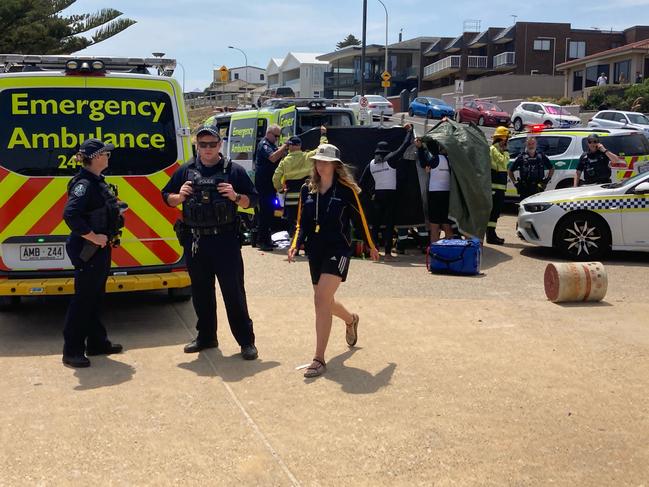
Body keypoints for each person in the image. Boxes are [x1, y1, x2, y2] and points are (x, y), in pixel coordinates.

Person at [161, 125, 260, 359]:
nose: (207, 149)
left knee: (233, 293)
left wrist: (236, 197)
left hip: (225, 240)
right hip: (196, 241)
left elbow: (253, 201)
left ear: (220, 145)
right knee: (201, 292)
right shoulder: (185, 170)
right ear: (197, 145)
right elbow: (167, 198)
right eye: (202, 144)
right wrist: (180, 196)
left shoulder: (234, 171)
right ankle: (206, 337)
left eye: (212, 144)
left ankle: (246, 341)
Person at [288, 144, 379, 378]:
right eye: (318, 161)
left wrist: (370, 245)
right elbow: (301, 223)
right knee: (325, 301)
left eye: (326, 161)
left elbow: (361, 219)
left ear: (335, 165)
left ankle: (318, 358)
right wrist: (295, 245)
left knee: (320, 299)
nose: (320, 165)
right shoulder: (306, 190)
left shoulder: (347, 190)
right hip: (315, 250)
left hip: (338, 249)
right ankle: (351, 319)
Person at [62, 139, 124, 368]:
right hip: (88, 249)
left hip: (99, 248)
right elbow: (70, 215)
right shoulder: (84, 184)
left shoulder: (97, 182)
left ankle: (97, 342)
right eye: (105, 154)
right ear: (96, 157)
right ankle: (72, 350)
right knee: (83, 299)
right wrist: (93, 236)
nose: (108, 157)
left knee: (95, 297)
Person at [360, 124, 414, 260]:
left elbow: (361, 183)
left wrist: (369, 194)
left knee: (376, 225)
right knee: (390, 225)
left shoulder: (371, 164)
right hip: (391, 195)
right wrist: (409, 131)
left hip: (377, 195)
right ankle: (388, 253)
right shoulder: (391, 159)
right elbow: (404, 146)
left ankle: (374, 251)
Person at [272, 127, 328, 242]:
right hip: (306, 196)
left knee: (293, 223)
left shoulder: (284, 161)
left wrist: (280, 190)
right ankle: (307, 246)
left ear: (290, 146)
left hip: (291, 198)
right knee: (307, 221)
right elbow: (322, 148)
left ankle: (295, 246)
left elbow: (276, 178)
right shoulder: (307, 156)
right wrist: (323, 135)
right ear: (300, 146)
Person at [255, 124, 288, 251]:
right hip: (263, 184)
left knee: (269, 212)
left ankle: (267, 239)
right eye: (276, 136)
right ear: (268, 134)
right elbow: (273, 157)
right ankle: (261, 241)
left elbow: (278, 153)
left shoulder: (271, 144)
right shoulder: (264, 144)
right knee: (264, 213)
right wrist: (285, 146)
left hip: (270, 184)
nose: (277, 139)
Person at [415, 137, 454, 242]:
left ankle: (434, 249)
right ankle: (452, 246)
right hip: (446, 194)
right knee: (446, 222)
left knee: (434, 225)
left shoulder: (435, 159)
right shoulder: (447, 159)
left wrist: (420, 148)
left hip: (435, 194)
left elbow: (423, 163)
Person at [487, 126, 510, 245]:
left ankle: (492, 234)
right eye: (506, 139)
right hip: (494, 189)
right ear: (502, 139)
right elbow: (505, 162)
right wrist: (506, 151)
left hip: (499, 188)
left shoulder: (499, 150)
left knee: (496, 213)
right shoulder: (493, 150)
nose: (507, 142)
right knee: (492, 212)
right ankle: (490, 236)